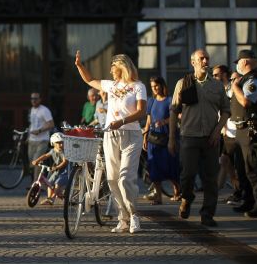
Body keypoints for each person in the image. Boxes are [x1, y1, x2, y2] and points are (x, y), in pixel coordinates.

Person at [74, 51, 147, 234]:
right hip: (110, 135)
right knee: (112, 178)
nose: (111, 70)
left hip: (131, 135)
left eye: (113, 67)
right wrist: (79, 66)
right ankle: (122, 218)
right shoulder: (111, 85)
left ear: (122, 67)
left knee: (125, 179)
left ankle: (134, 215)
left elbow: (141, 112)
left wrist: (121, 121)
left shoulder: (138, 86)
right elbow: (90, 80)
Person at [168, 49, 230, 227]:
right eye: (201, 58)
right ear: (193, 61)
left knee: (210, 178)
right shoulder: (183, 83)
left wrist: (218, 131)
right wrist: (172, 138)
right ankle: (187, 199)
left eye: (207, 58)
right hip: (189, 136)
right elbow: (173, 112)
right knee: (187, 175)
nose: (205, 61)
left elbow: (226, 110)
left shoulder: (217, 85)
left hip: (211, 138)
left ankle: (207, 214)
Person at [229, 49, 257, 217]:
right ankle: (249, 201)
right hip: (241, 130)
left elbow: (246, 101)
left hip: (252, 130)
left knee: (254, 167)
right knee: (242, 168)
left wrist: (234, 86)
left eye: (238, 62)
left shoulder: (255, 80)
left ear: (244, 62)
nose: (237, 66)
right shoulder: (243, 80)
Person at [213, 66, 249, 205]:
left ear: (225, 75)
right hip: (226, 132)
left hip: (236, 132)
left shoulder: (232, 89)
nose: (214, 77)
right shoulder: (221, 90)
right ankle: (231, 188)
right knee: (225, 161)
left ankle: (238, 190)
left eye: (217, 75)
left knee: (235, 163)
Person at [142, 76, 180, 204]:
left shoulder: (170, 100)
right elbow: (148, 120)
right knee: (154, 168)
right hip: (153, 138)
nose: (155, 89)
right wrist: (145, 137)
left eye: (156, 86)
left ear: (162, 85)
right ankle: (158, 197)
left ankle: (177, 191)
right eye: (152, 87)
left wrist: (164, 121)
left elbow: (177, 116)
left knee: (170, 166)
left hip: (167, 137)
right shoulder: (151, 101)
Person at [31, 132, 69, 205]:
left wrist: (56, 167)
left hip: (65, 171)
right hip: (57, 170)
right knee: (49, 182)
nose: (61, 145)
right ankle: (49, 198)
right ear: (53, 143)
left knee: (58, 183)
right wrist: (37, 160)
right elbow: (45, 155)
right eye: (58, 143)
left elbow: (65, 162)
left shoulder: (64, 152)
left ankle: (53, 197)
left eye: (62, 143)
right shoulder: (53, 151)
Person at [27, 92, 54, 182]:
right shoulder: (32, 110)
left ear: (40, 99)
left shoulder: (44, 110)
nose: (33, 100)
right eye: (32, 98)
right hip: (32, 140)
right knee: (32, 163)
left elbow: (51, 124)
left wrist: (39, 131)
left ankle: (35, 184)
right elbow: (32, 124)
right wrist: (28, 137)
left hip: (42, 140)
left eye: (35, 98)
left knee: (37, 162)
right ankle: (39, 182)